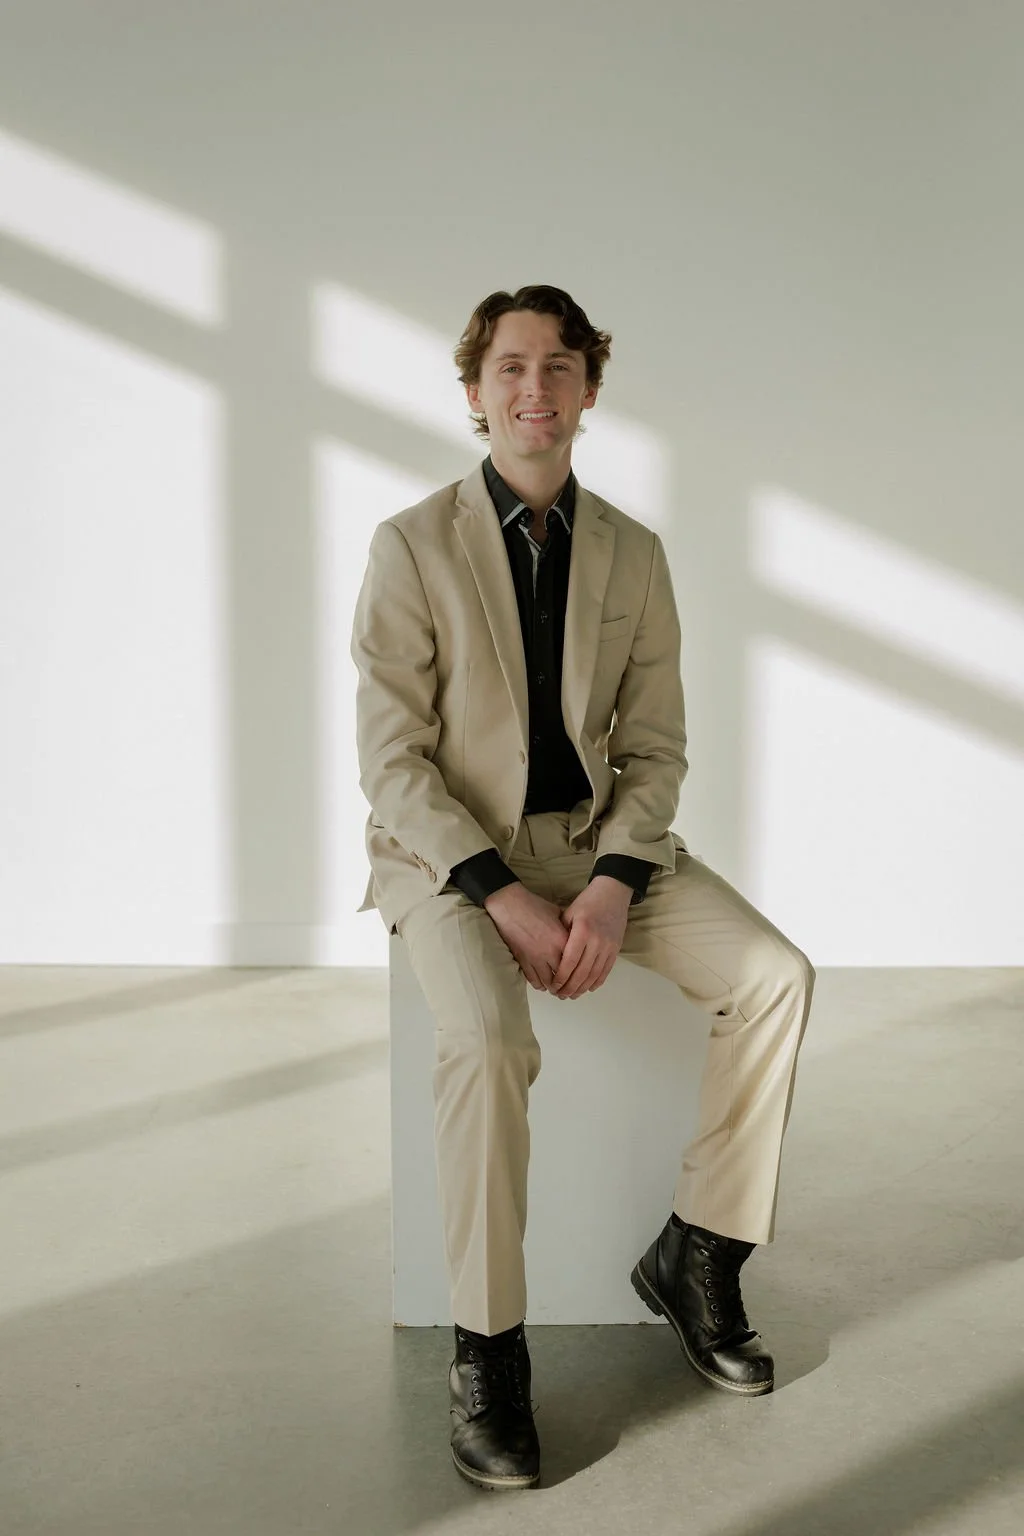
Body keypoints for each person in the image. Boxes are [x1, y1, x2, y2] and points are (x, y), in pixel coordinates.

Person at [350, 284, 815, 1492]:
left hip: (598, 849)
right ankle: (489, 1353)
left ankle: (700, 1253)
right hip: (450, 864)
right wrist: (502, 893)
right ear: (474, 394)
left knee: (774, 977)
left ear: (588, 393)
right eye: (509, 368)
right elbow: (390, 762)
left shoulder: (634, 553)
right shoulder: (411, 544)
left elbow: (654, 749)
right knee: (491, 1044)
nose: (534, 389)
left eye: (559, 368)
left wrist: (612, 882)